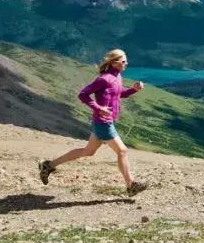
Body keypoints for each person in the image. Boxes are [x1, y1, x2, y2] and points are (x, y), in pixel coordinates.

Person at [38, 49, 148, 196]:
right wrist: (98, 107)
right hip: (103, 122)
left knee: (88, 151)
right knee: (122, 151)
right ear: (114, 62)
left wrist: (133, 89)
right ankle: (131, 184)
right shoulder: (104, 79)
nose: (126, 64)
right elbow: (82, 94)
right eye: (123, 61)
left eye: (126, 61)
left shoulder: (117, 77)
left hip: (102, 122)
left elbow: (119, 93)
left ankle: (48, 166)